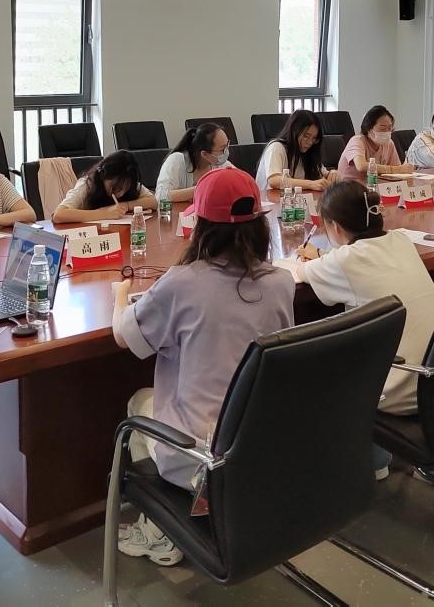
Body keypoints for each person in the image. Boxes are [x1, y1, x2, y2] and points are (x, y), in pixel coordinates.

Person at [109, 167, 295, 566]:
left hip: (200, 456)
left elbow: (124, 336)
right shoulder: (281, 282)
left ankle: (160, 531)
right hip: (260, 446)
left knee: (139, 403)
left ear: (202, 227)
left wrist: (121, 296)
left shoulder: (183, 282)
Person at [280, 180, 434, 477]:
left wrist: (315, 260)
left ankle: (366, 461)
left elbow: (299, 270)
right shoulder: (400, 241)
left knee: (309, 363)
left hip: (399, 388)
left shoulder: (346, 259)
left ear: (335, 227)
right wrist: (327, 260)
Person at [51, 149, 158, 223]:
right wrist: (104, 213)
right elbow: (59, 215)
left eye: (125, 188)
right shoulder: (87, 185)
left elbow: (153, 201)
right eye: (115, 188)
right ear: (103, 176)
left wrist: (126, 205)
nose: (120, 194)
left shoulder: (128, 182)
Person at [255, 109, 338, 193]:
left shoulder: (309, 152)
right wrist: (311, 184)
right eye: (306, 136)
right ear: (294, 131)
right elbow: (274, 180)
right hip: (269, 199)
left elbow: (324, 174)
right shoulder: (277, 147)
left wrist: (332, 173)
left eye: (314, 138)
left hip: (296, 199)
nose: (310, 142)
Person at [154, 123, 229, 204]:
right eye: (222, 149)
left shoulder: (221, 164)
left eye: (227, 145)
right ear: (205, 154)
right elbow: (161, 196)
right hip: (179, 211)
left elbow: (238, 184)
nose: (226, 152)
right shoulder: (177, 160)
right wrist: (201, 189)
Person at [337, 105, 415, 180]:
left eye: (390, 128)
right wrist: (394, 169)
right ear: (369, 128)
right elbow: (361, 166)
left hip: (375, 185)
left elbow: (398, 169)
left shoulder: (389, 144)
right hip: (349, 186)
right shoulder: (357, 141)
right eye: (382, 129)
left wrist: (404, 169)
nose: (387, 132)